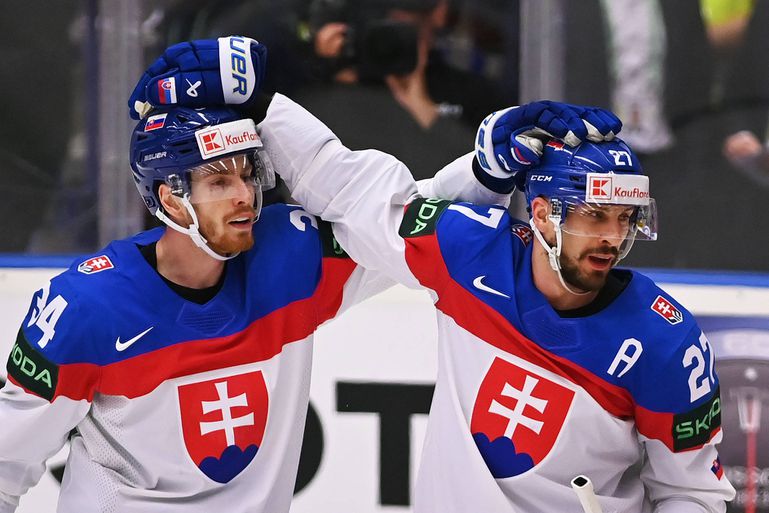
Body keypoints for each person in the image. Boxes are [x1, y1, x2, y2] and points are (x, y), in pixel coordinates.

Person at [0, 37, 618, 513]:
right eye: (220, 180)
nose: (245, 194)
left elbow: (406, 231)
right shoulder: (84, 304)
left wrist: (486, 172)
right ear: (166, 195)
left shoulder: (290, 259)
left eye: (248, 172)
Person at [136, 38, 737, 512]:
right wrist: (265, 105)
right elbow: (352, 190)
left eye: (623, 219)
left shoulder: (666, 341)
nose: (611, 237)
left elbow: (692, 494)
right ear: (546, 213)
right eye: (593, 216)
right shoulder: (469, 252)